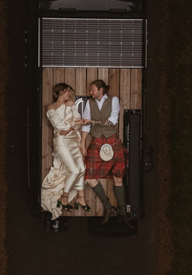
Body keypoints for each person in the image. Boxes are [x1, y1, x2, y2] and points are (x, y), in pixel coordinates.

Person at [80, 79, 132, 228]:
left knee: (118, 178)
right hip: (96, 143)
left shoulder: (114, 100)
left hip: (112, 142)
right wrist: (82, 144)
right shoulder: (89, 103)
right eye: (91, 90)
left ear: (101, 90)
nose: (90, 92)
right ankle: (108, 207)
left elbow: (113, 120)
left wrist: (94, 121)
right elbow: (85, 125)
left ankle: (123, 214)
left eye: (93, 90)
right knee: (89, 178)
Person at [41, 83, 91, 219]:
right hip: (61, 143)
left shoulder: (71, 104)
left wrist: (72, 127)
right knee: (74, 170)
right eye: (68, 92)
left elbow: (76, 120)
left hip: (74, 141)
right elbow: (59, 125)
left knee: (81, 168)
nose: (70, 94)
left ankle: (80, 198)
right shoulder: (51, 108)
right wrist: (72, 125)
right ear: (62, 91)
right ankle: (65, 196)